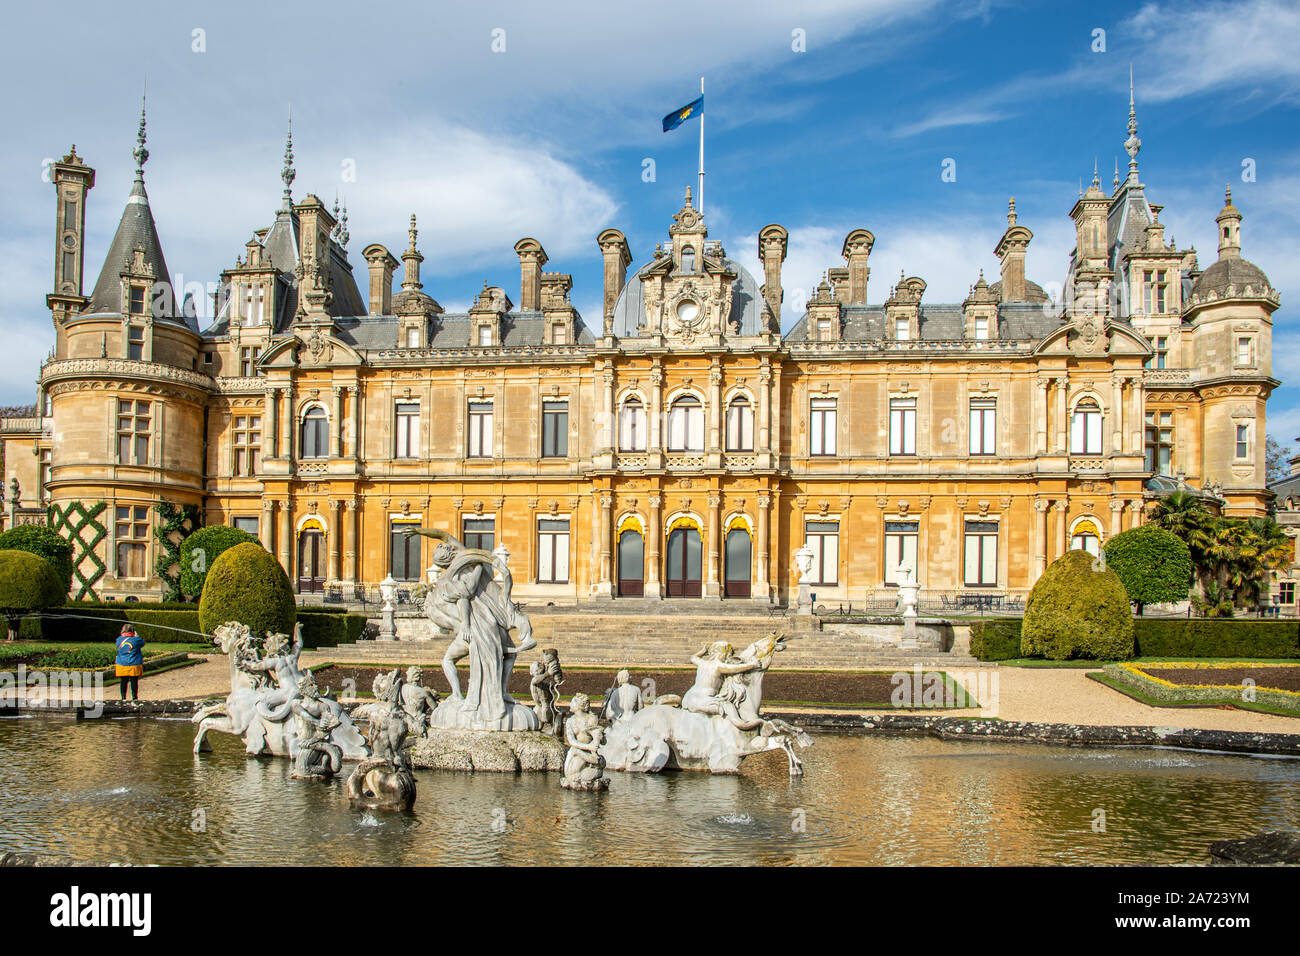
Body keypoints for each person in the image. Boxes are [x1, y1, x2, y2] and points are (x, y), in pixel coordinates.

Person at [115, 624, 145, 701]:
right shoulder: (136, 640)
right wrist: (137, 636)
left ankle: (123, 698)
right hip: (134, 664)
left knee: (123, 681)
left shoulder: (119, 640)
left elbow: (117, 644)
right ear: (133, 631)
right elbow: (142, 643)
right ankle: (134, 698)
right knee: (134, 681)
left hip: (122, 664)